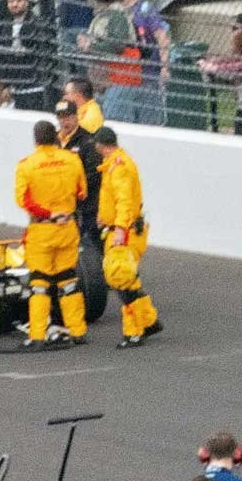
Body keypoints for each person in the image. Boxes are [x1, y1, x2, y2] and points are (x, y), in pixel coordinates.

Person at [14, 117, 90, 344]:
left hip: (42, 230)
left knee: (39, 283)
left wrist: (48, 213)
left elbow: (23, 200)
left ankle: (37, 335)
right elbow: (82, 192)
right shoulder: (72, 160)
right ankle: (78, 331)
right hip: (67, 227)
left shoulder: (26, 164)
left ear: (36, 139)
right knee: (68, 280)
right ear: (56, 136)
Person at [93, 129, 159, 345]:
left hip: (125, 232)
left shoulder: (118, 166)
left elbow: (124, 200)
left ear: (100, 145)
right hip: (123, 228)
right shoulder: (116, 163)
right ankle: (148, 321)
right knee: (129, 280)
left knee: (120, 279)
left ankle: (133, 332)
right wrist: (105, 218)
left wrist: (120, 228)